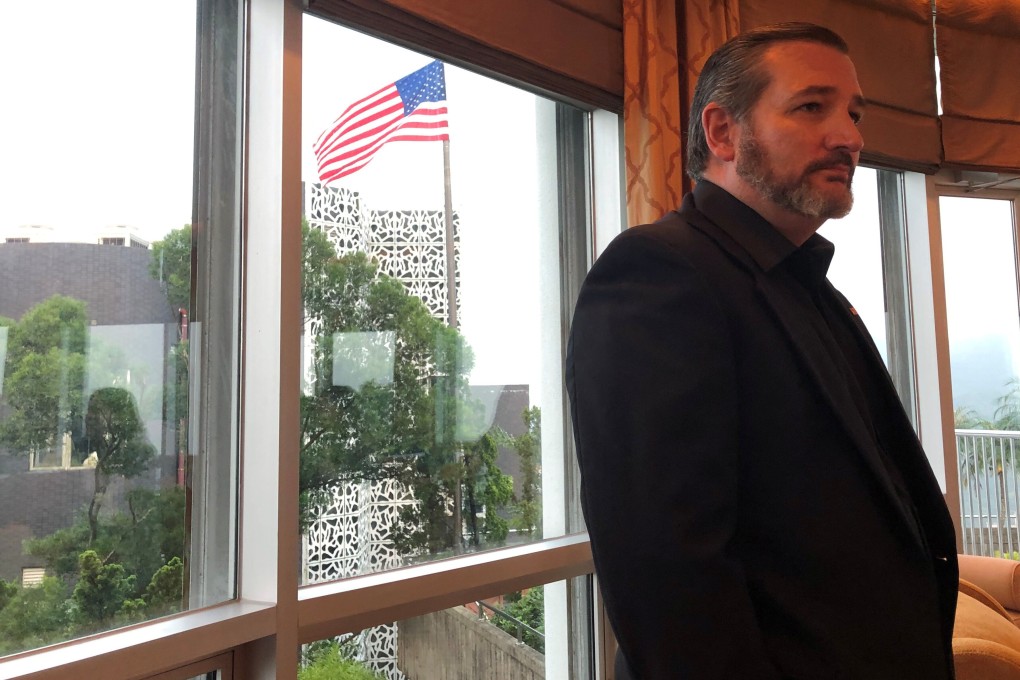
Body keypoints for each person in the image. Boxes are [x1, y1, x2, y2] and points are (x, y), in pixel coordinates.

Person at [566, 22, 957, 680]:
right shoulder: (659, 274)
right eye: (812, 107)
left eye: (855, 113)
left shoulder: (809, 286)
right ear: (722, 133)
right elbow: (670, 580)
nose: (850, 137)